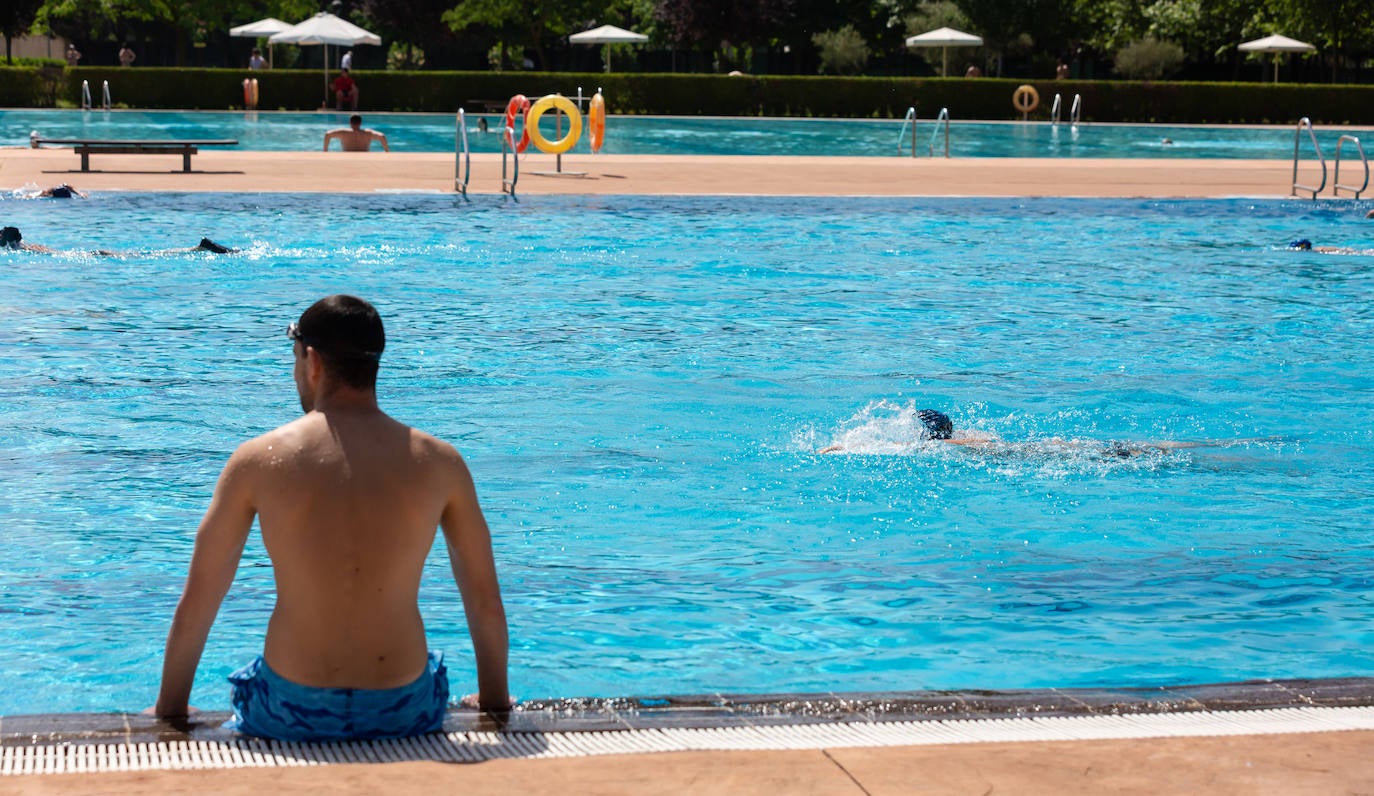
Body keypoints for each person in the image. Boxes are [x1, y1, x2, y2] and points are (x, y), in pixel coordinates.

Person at [152, 295, 510, 742]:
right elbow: (484, 600)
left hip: (289, 706)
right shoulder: (440, 461)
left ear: (313, 361)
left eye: (295, 359)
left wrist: (169, 710)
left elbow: (199, 601)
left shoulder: (257, 461)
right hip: (402, 709)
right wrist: (495, 704)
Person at [818, 408, 1255, 459]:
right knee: (1131, 449)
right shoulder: (975, 434)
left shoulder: (945, 448)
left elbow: (882, 446)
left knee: (1123, 454)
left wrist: (835, 446)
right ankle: (1209, 443)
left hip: (1031, 458)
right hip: (1039, 448)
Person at [324, 114, 389, 152]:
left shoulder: (343, 132)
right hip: (364, 158)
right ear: (360, 123)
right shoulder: (368, 133)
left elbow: (327, 134)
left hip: (347, 158)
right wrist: (387, 152)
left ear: (350, 123)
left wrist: (325, 151)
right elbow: (382, 136)